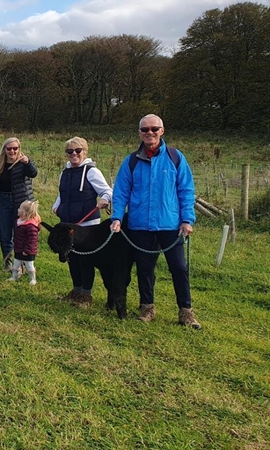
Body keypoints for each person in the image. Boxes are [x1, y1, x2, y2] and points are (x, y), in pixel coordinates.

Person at [110, 114, 201, 328]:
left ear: (162, 130)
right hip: (140, 225)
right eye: (145, 129)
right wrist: (116, 217)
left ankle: (186, 312)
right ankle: (147, 307)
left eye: (154, 128)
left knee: (178, 267)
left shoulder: (175, 158)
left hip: (170, 224)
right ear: (139, 133)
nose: (149, 133)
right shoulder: (131, 161)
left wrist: (187, 219)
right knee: (144, 268)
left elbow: (186, 190)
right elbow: (121, 191)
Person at [52, 137, 113, 306]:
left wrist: (105, 199)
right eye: (70, 151)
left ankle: (86, 295)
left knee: (85, 261)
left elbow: (107, 191)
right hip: (68, 224)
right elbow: (61, 194)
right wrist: (56, 208)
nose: (74, 154)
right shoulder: (64, 172)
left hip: (87, 226)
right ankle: (76, 291)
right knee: (72, 258)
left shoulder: (92, 171)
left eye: (77, 151)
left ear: (85, 152)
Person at [0, 137, 37, 268]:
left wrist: (28, 162)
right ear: (4, 150)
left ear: (19, 149)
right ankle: (8, 262)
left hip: (21, 203)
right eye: (9, 148)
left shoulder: (23, 163)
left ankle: (21, 263)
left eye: (15, 148)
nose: (12, 151)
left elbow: (33, 173)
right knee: (4, 235)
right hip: (3, 201)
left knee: (20, 234)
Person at [8, 199, 40, 286]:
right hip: (18, 248)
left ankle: (33, 279)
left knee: (29, 265)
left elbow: (32, 240)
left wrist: (27, 250)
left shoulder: (31, 226)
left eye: (20, 209)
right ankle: (14, 276)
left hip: (28, 251)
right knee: (16, 264)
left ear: (25, 213)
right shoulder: (18, 222)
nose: (18, 210)